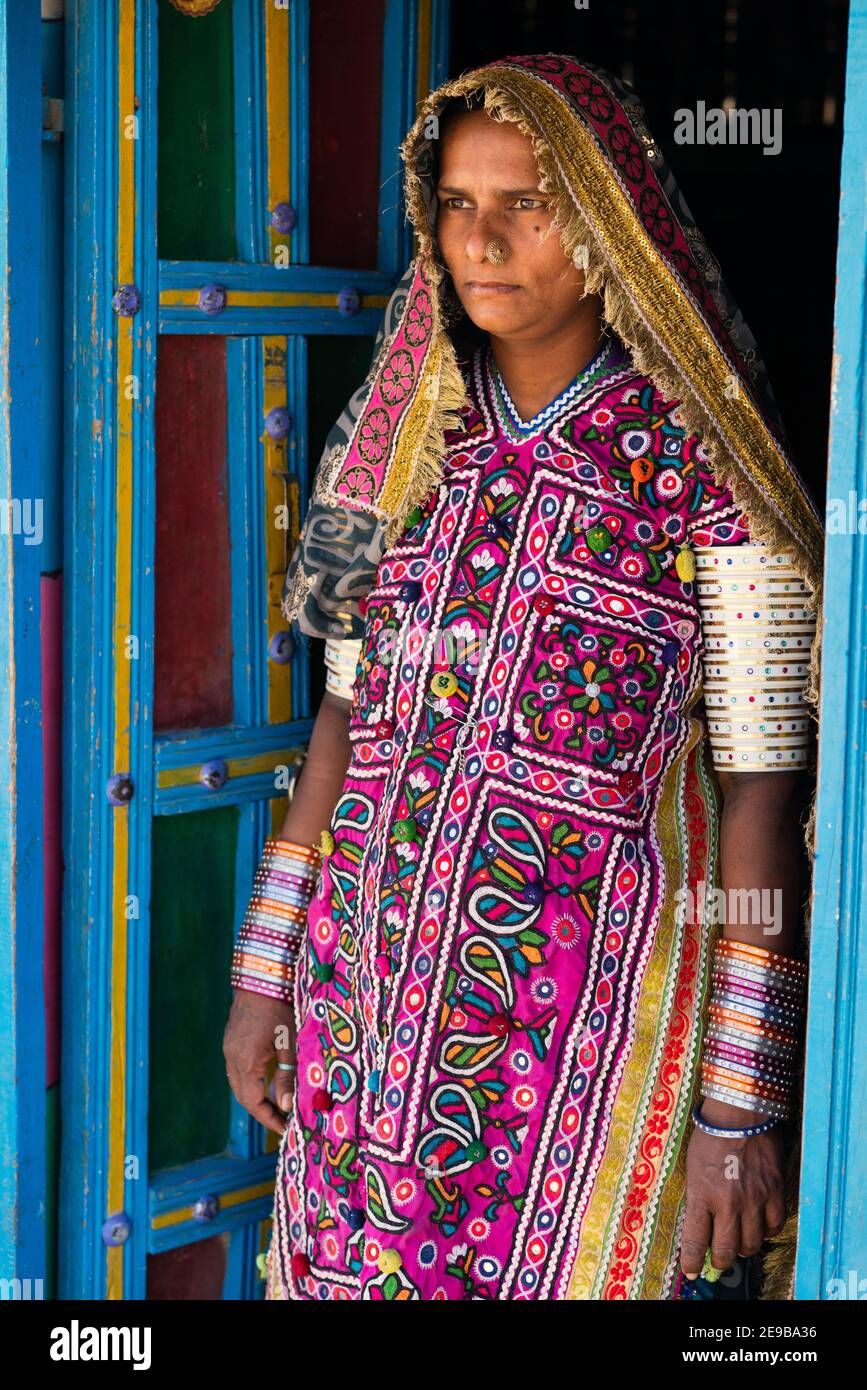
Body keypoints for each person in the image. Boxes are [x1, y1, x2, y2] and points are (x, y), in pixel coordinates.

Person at [223, 53, 824, 1301]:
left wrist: (740, 1099)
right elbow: (337, 723)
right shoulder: (386, 443)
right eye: (454, 202)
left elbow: (764, 793)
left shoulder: (708, 467)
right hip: (366, 1020)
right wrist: (262, 974)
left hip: (590, 1053)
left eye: (526, 203)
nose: (481, 238)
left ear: (602, 217)